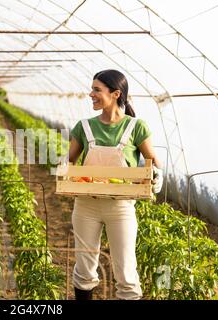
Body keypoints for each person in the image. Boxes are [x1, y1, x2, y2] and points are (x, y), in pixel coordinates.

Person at [67, 69, 163, 300]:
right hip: (86, 205)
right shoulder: (84, 127)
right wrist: (64, 172)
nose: (91, 94)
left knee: (126, 272)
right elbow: (68, 162)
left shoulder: (135, 127)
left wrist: (156, 177)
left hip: (121, 207)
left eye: (97, 90)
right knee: (84, 268)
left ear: (115, 93)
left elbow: (153, 163)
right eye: (92, 89)